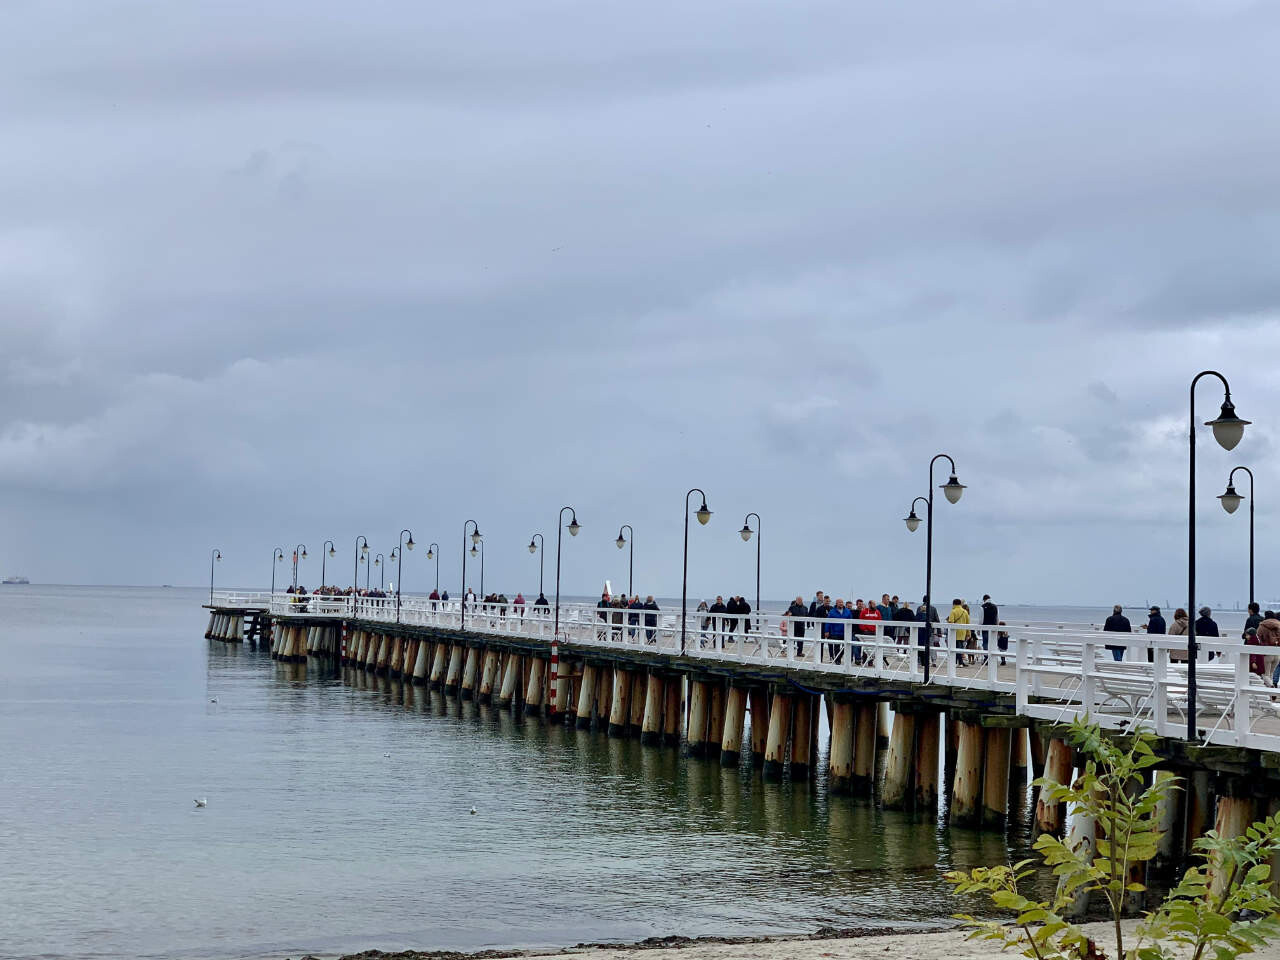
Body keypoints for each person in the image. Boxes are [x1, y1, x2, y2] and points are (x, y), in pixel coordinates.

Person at [825, 598, 854, 663]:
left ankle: (838, 657)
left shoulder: (847, 611)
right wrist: (826, 631)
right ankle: (838, 661)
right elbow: (828, 622)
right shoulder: (832, 612)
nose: (841, 604)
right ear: (836, 603)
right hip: (835, 632)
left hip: (845, 632)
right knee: (836, 647)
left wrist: (851, 631)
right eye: (839, 602)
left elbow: (851, 621)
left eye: (842, 602)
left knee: (846, 646)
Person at [858, 598, 882, 664]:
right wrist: (864, 629)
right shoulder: (864, 612)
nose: (874, 605)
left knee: (873, 647)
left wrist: (877, 630)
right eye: (873, 604)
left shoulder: (877, 612)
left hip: (874, 632)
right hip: (866, 632)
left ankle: (871, 661)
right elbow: (860, 621)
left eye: (875, 604)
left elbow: (880, 622)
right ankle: (864, 660)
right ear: (869, 604)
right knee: (866, 647)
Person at [947, 599, 970, 665]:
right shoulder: (965, 612)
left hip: (955, 633)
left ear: (954, 604)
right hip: (963, 632)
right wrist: (968, 633)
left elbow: (951, 622)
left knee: (956, 648)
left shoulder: (953, 611)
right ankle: (960, 662)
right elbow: (968, 623)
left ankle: (959, 662)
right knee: (960, 647)